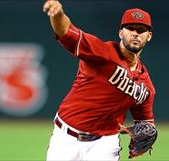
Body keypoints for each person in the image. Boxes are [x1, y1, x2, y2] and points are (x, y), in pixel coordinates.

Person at [43, 0, 156, 160]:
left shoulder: (145, 86)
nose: (135, 33)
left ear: (149, 36)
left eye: (141, 30)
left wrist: (149, 130)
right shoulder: (100, 52)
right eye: (130, 28)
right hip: (66, 138)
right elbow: (66, 31)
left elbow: (145, 122)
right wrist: (58, 14)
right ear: (120, 33)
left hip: (105, 145)